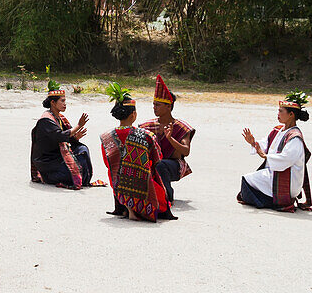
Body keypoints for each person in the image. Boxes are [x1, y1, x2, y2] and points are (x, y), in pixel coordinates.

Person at [100, 83, 174, 222]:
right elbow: (157, 158)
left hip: (118, 186)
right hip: (141, 186)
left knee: (117, 172)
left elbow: (107, 163)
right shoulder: (146, 135)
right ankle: (136, 207)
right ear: (133, 115)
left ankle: (126, 206)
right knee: (163, 203)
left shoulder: (106, 137)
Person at [238, 91, 312, 212]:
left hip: (289, 181)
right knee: (246, 182)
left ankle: (277, 202)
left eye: (281, 111)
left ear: (291, 115)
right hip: (274, 173)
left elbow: (286, 159)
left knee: (246, 181)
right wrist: (253, 143)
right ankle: (272, 200)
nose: (278, 114)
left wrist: (266, 157)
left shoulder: (295, 137)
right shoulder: (279, 130)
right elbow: (265, 144)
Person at [138, 75, 194, 202]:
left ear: (169, 106)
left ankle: (167, 197)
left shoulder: (181, 127)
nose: (154, 107)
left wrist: (170, 139)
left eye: (158, 105)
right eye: (153, 104)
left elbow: (186, 151)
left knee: (161, 165)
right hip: (152, 162)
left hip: (174, 166)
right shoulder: (147, 126)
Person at [30, 80, 94, 189]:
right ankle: (50, 177)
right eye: (62, 101)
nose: (65, 104)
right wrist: (79, 125)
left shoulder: (59, 118)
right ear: (53, 103)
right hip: (48, 161)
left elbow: (65, 138)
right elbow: (60, 136)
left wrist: (75, 138)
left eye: (65, 101)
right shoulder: (46, 120)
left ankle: (81, 178)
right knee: (73, 169)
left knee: (82, 150)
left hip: (57, 156)